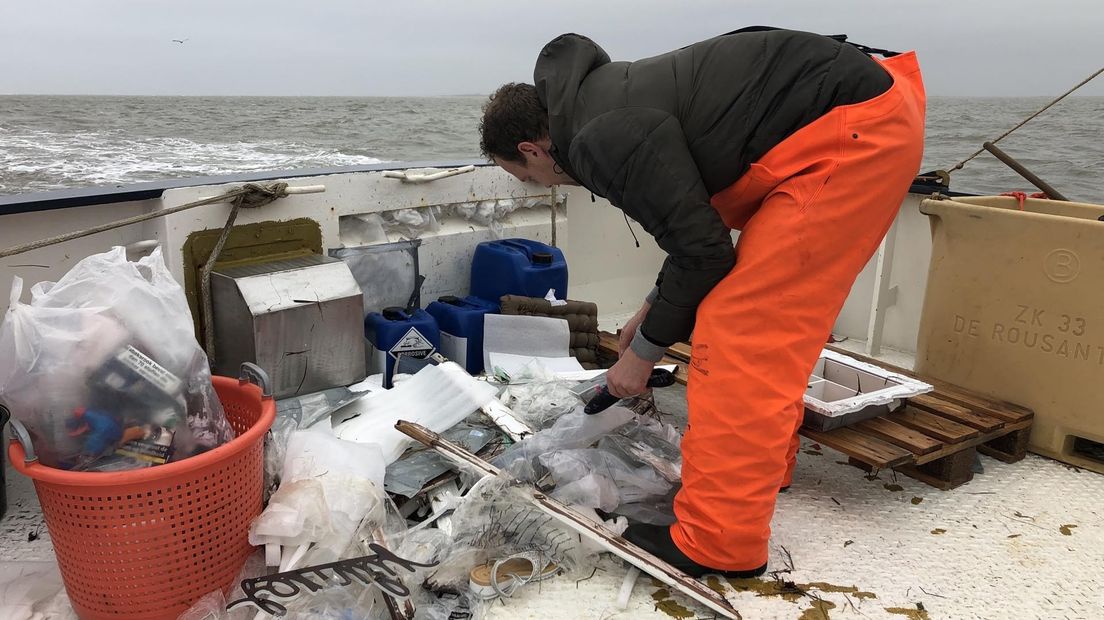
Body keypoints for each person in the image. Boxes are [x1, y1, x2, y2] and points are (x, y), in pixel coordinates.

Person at [479, 26, 925, 577]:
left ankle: (719, 541)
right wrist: (653, 305)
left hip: (851, 136)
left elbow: (704, 254)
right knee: (766, 323)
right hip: (855, 115)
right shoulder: (596, 104)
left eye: (525, 175)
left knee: (744, 333)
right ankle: (756, 473)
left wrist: (640, 356)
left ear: (531, 148)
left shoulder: (598, 138)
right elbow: (691, 228)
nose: (539, 185)